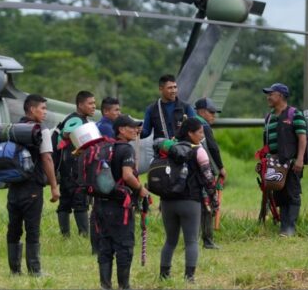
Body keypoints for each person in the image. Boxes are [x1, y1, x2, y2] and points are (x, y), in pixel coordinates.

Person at [92, 115, 149, 290]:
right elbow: (127, 175)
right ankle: (124, 286)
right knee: (124, 246)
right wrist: (140, 189)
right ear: (121, 130)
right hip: (119, 208)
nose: (135, 130)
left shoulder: (105, 148)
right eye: (131, 127)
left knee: (105, 245)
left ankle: (105, 285)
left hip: (100, 205)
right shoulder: (126, 150)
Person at [6, 94, 60, 276]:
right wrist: (54, 186)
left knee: (14, 227)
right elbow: (46, 158)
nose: (45, 112)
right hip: (32, 187)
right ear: (32, 109)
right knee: (32, 228)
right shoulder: (41, 131)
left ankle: (14, 271)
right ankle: (35, 270)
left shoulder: (14, 128)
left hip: (14, 186)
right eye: (42, 108)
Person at [158, 117, 217, 282]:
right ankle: (189, 278)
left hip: (167, 201)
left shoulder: (170, 148)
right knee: (191, 241)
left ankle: (164, 276)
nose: (201, 136)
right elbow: (208, 177)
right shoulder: (198, 150)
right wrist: (213, 199)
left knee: (170, 241)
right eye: (199, 132)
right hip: (190, 200)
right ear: (190, 133)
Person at [262, 83, 307, 237]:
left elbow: (302, 138)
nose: (268, 97)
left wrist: (300, 159)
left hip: (292, 162)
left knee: (292, 193)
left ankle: (290, 228)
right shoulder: (269, 117)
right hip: (274, 162)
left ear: (280, 96)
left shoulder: (294, 114)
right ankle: (283, 227)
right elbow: (266, 142)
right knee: (279, 193)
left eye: (271, 94)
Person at [53, 90, 96, 237]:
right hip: (74, 168)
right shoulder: (76, 120)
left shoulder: (80, 119)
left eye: (94, 103)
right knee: (79, 201)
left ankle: (65, 236)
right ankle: (84, 235)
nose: (93, 106)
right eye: (90, 103)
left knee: (66, 202)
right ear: (80, 104)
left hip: (68, 167)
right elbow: (65, 133)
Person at [194, 97, 226, 249]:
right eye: (211, 112)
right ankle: (207, 240)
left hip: (190, 172)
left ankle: (192, 239)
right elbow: (213, 147)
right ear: (201, 111)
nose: (214, 116)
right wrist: (220, 167)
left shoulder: (189, 124)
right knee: (207, 205)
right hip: (204, 171)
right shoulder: (204, 126)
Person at [141, 74, 196, 140]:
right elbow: (145, 132)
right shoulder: (151, 109)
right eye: (170, 88)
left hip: (182, 148)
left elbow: (196, 129)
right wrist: (137, 130)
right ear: (161, 89)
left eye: (175, 87)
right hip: (162, 148)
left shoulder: (186, 107)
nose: (173, 91)